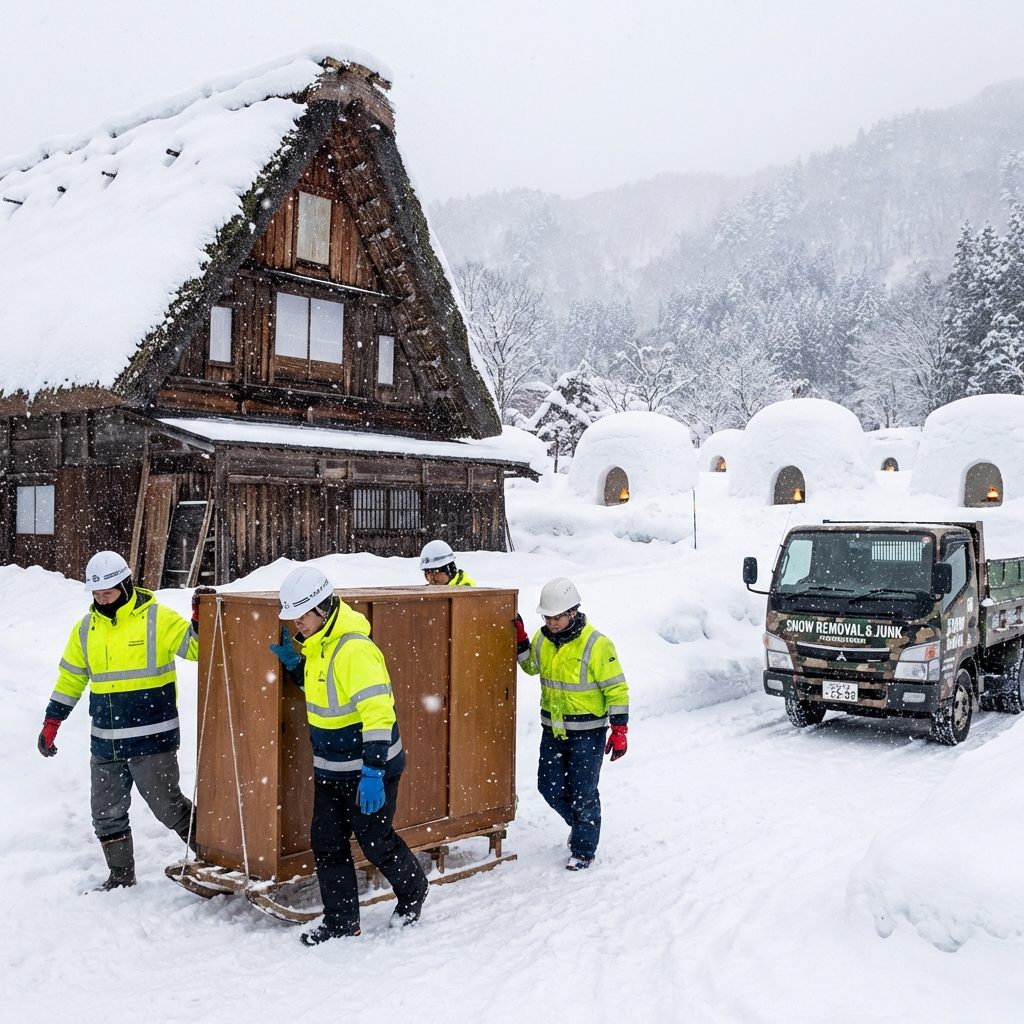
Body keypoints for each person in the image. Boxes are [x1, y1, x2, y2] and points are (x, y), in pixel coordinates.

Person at [271, 565, 428, 945]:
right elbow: (325, 691)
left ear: (321, 609)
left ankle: (414, 891)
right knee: (326, 844)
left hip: (369, 769)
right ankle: (342, 921)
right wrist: (296, 667)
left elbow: (378, 713)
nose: (296, 623)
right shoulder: (319, 647)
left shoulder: (354, 649)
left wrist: (373, 771)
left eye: (301, 615)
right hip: (330, 768)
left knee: (374, 840)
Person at [37, 550, 200, 890]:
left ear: (125, 585)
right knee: (106, 812)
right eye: (96, 593)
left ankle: (216, 856)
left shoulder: (156, 618)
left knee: (169, 809)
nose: (101, 598)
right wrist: (53, 720)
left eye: (107, 592)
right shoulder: (86, 629)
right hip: (106, 740)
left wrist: (201, 621)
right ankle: (121, 876)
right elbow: (71, 678)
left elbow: (196, 648)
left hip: (152, 738)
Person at [519, 578, 629, 870]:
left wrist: (619, 730)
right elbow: (531, 667)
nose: (551, 622)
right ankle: (582, 824)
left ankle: (583, 849)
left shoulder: (597, 643)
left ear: (573, 612)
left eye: (556, 617)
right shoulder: (543, 639)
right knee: (549, 788)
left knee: (584, 792)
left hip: (588, 734)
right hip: (552, 730)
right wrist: (520, 642)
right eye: (547, 617)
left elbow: (616, 689)